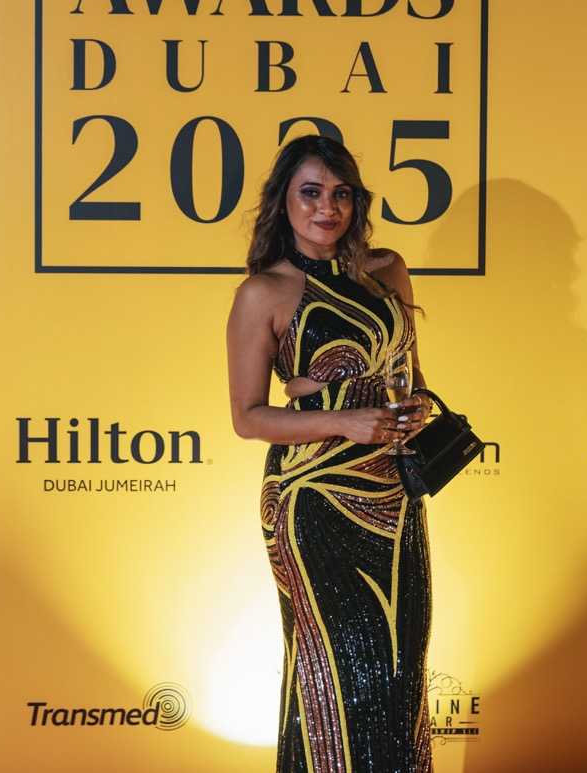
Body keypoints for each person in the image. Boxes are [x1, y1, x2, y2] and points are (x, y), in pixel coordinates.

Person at [226, 134, 435, 773]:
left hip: (394, 496)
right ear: (283, 202)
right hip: (313, 502)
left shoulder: (386, 270)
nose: (327, 208)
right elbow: (247, 417)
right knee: (335, 675)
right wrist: (342, 418)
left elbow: (414, 377)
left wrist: (417, 405)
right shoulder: (264, 292)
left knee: (400, 669)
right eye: (311, 193)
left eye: (340, 193)